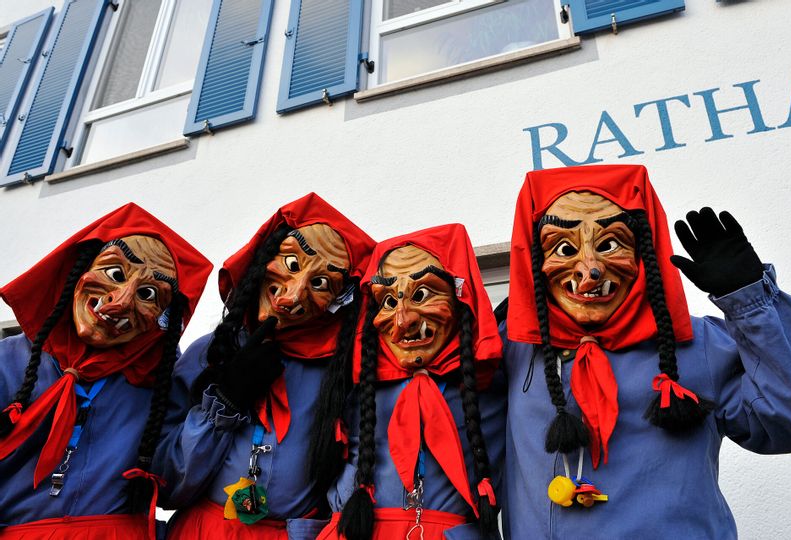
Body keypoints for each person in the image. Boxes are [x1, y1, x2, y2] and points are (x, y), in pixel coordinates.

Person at [500, 164, 791, 538]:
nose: (589, 270)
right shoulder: (513, 352)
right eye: (564, 249)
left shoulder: (698, 344)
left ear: (644, 251)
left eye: (609, 244)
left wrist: (750, 301)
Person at [154, 193, 375, 540]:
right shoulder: (209, 352)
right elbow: (166, 483)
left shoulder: (341, 372)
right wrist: (224, 401)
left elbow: (359, 455)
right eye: (291, 263)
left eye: (321, 283)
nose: (293, 295)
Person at [0, 203, 212, 539]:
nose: (120, 302)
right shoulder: (7, 360)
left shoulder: (160, 380)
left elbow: (174, 483)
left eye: (147, 294)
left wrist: (220, 409)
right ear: (77, 270)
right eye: (114, 273)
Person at [319, 223, 505, 540]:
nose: (403, 320)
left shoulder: (492, 377)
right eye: (388, 302)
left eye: (421, 295)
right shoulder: (351, 382)